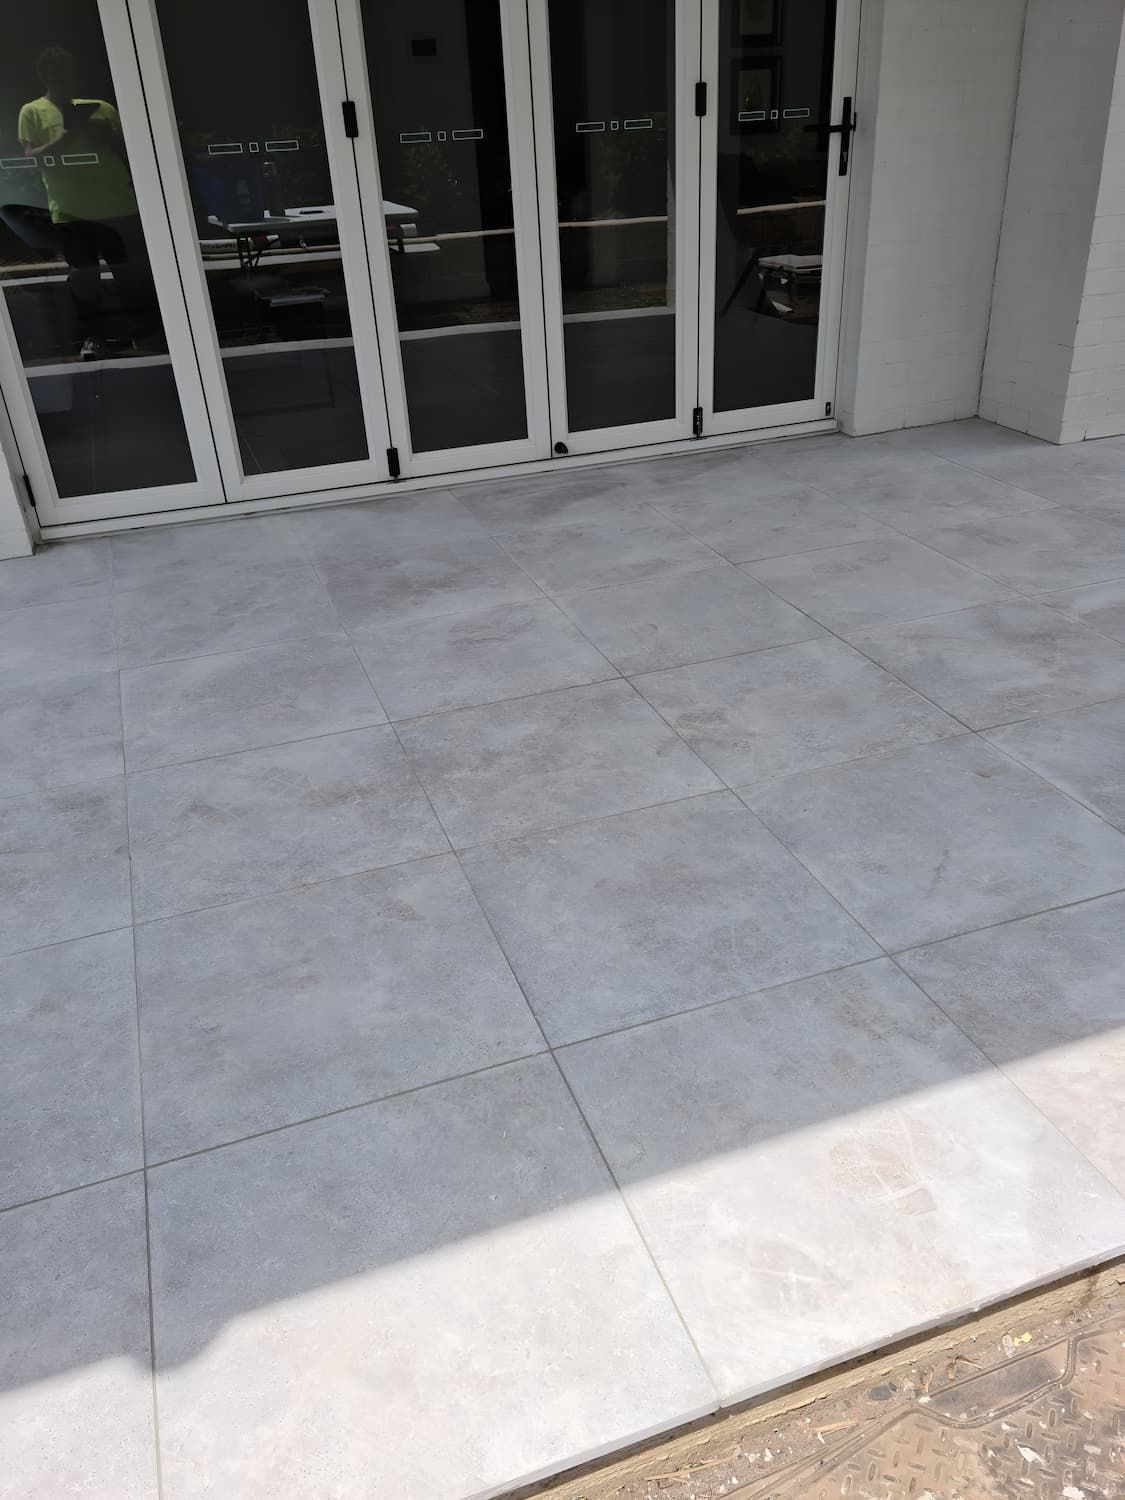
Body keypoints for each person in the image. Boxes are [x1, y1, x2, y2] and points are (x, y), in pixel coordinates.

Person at [18, 45, 156, 353]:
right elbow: (31, 158)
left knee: (131, 276)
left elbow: (130, 150)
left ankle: (145, 334)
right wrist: (67, 134)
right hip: (72, 212)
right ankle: (94, 338)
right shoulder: (32, 111)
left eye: (66, 71)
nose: (62, 77)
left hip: (119, 207)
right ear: (45, 75)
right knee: (85, 281)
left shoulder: (100, 107)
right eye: (55, 72)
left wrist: (103, 135)